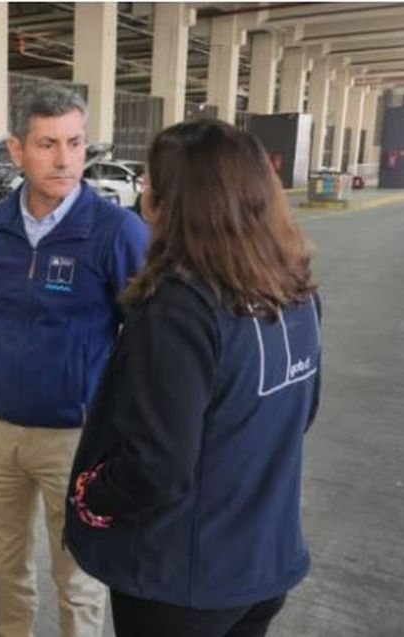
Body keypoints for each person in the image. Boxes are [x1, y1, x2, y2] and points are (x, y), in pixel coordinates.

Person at [64, 119, 322, 637]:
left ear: (174, 205)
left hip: (181, 583)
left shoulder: (179, 310)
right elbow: (301, 414)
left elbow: (155, 466)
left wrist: (92, 496)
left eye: (150, 185)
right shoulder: (296, 295)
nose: (144, 198)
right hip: (262, 565)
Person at [0, 83, 149, 637]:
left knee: (78, 579)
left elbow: (141, 339)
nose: (65, 159)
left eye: (75, 142)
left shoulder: (117, 233)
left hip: (75, 438)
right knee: (5, 570)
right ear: (16, 151)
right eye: (47, 144)